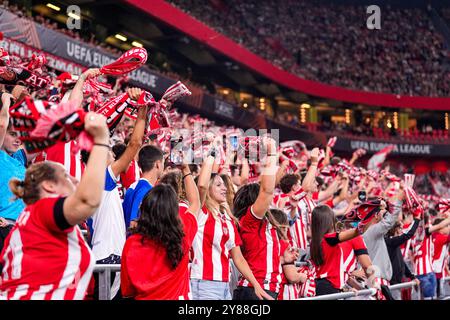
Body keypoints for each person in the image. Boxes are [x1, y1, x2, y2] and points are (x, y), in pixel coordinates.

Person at [0, 112, 110, 299]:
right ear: (49, 185)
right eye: (66, 175)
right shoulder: (42, 211)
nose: (75, 179)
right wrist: (101, 141)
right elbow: (86, 201)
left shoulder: (31, 219)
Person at [87, 87, 147, 300]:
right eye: (108, 153)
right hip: (108, 259)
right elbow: (135, 144)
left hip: (104, 257)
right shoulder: (102, 178)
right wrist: (143, 109)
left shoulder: (91, 180)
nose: (112, 156)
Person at [190, 152, 271, 300]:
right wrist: (212, 153)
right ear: (208, 188)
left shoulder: (227, 217)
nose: (225, 189)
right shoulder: (200, 212)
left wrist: (256, 285)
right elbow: (200, 185)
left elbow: (238, 258)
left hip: (225, 286)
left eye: (224, 185)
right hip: (203, 283)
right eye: (218, 185)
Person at [120, 164, 200, 300]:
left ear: (145, 208)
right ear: (173, 212)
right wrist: (186, 171)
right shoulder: (181, 235)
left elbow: (128, 292)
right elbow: (195, 203)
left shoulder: (132, 243)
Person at [232, 137, 299, 300]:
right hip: (255, 291)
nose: (268, 202)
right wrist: (271, 154)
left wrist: (282, 258)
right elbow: (267, 190)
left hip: (261, 289)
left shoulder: (258, 223)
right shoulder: (250, 220)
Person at [310, 205, 364, 295]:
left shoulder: (315, 241)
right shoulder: (328, 238)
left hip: (325, 285)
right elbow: (356, 232)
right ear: (329, 222)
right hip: (327, 287)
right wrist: (372, 216)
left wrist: (345, 290)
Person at [122, 145, 164, 229]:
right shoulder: (146, 191)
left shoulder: (134, 186)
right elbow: (133, 224)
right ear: (157, 164)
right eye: (163, 163)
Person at [385, 214, 421, 299]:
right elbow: (408, 234)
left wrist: (411, 276)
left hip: (397, 282)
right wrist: (417, 219)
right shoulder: (389, 241)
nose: (402, 230)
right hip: (391, 283)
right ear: (395, 229)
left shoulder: (393, 242)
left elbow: (401, 262)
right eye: (401, 228)